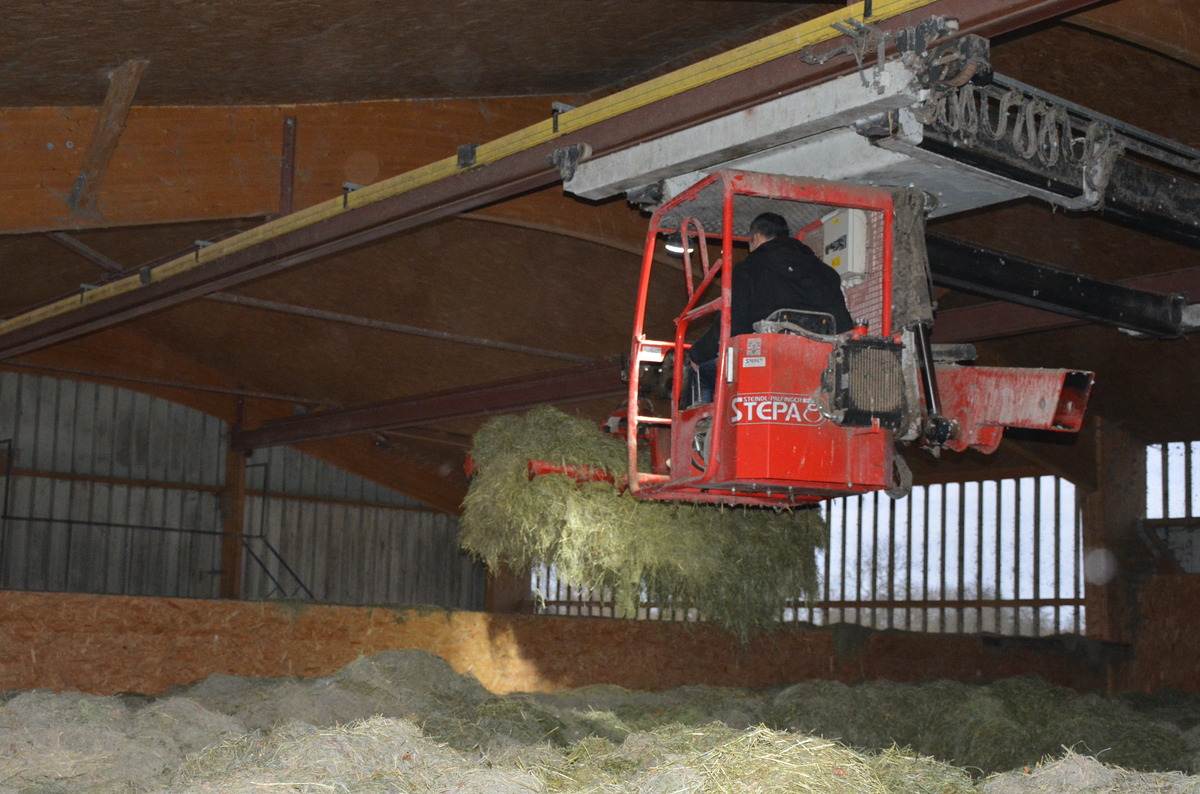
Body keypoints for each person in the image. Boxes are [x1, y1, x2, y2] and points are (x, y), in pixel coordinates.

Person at [687, 212, 854, 402]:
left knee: (701, 372)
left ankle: (703, 430)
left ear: (756, 238)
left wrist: (697, 354)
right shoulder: (826, 273)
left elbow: (732, 326)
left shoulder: (748, 270)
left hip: (768, 363)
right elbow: (844, 326)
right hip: (818, 363)